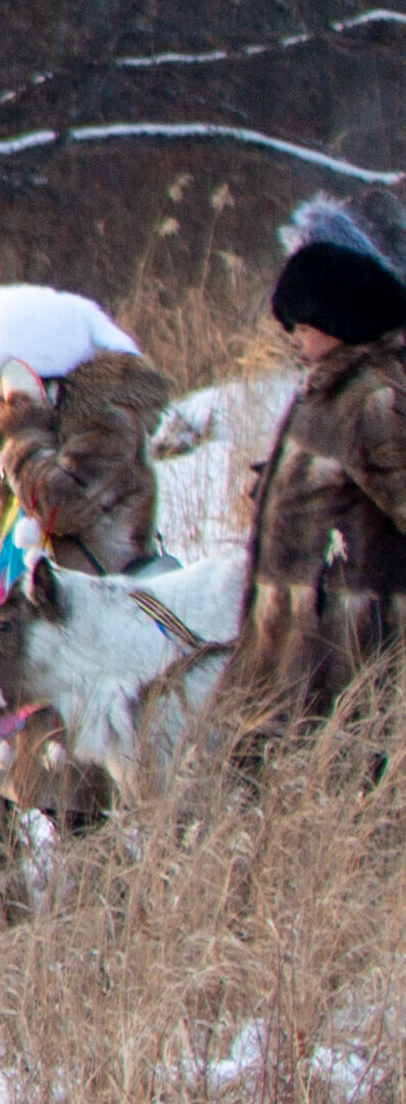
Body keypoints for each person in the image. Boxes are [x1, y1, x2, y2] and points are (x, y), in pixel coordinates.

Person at [224, 198, 406, 757]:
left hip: (341, 660)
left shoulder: (369, 396)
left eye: (303, 324)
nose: (294, 338)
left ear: (339, 320)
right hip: (291, 655)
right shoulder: (328, 389)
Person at [0, 284, 174, 624]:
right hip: (61, 622)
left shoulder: (110, 423)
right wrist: (7, 443)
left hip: (110, 619)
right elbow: (0, 522)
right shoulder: (41, 432)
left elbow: (61, 509)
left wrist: (23, 433)